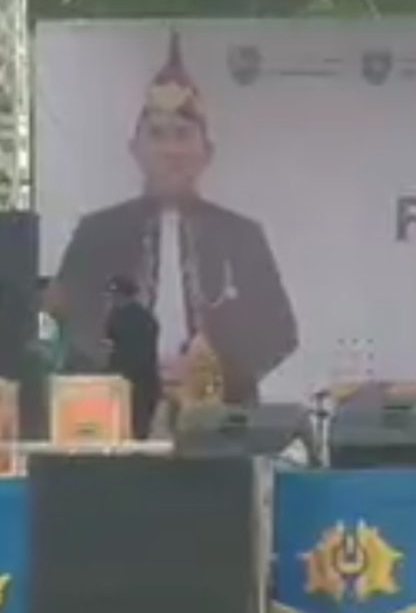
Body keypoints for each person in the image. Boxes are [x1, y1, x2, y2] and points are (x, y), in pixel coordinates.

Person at [54, 32, 297, 407]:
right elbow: (68, 323)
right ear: (135, 150)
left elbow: (278, 332)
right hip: (119, 409)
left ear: (206, 152)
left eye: (183, 135)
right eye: (157, 135)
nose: (170, 150)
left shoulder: (240, 235)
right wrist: (128, 368)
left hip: (218, 412)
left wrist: (212, 369)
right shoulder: (97, 232)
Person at [103, 276, 162, 440]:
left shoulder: (115, 318)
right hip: (146, 380)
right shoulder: (148, 318)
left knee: (122, 430)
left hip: (123, 380)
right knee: (141, 430)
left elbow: (109, 347)